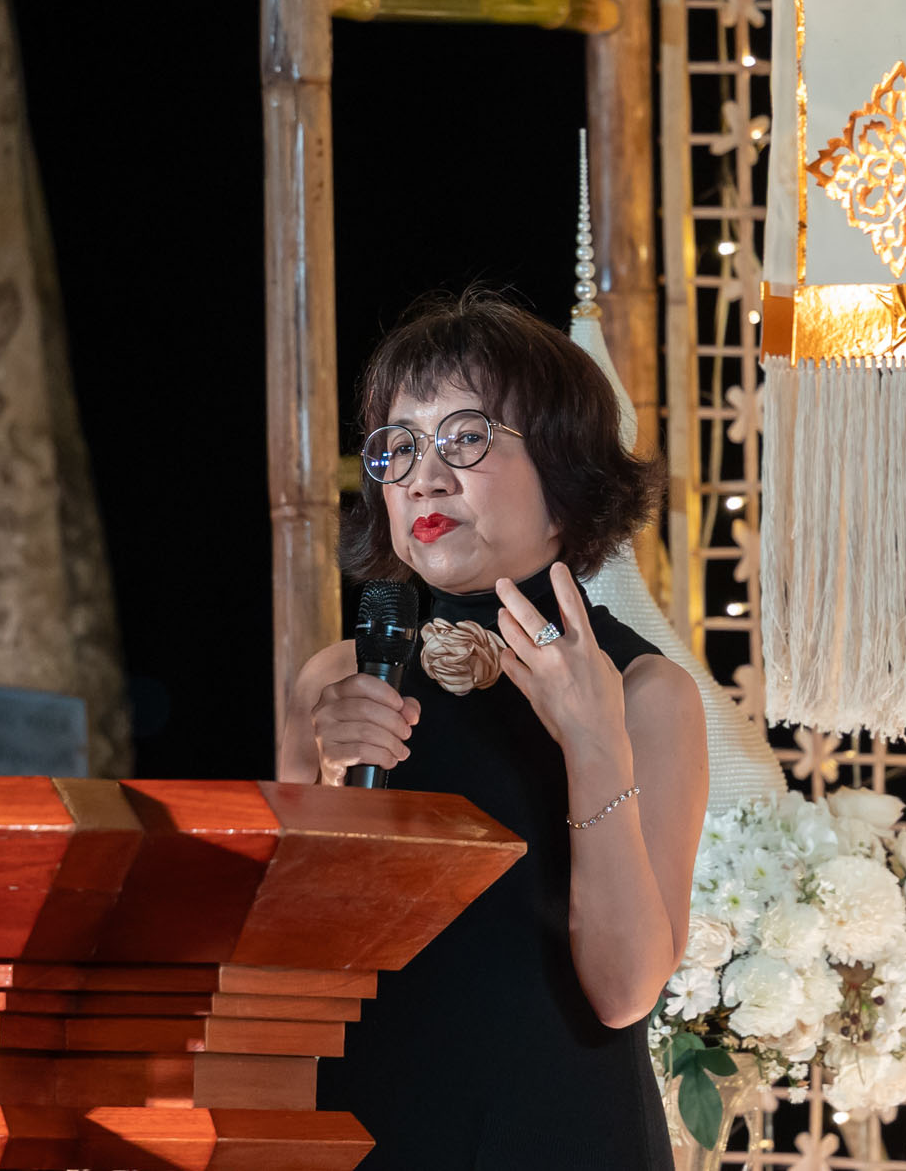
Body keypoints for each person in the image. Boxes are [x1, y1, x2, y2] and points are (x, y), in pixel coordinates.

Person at [281, 293, 708, 1168]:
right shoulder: (337, 679)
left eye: (466, 438)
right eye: (399, 446)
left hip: (564, 1129)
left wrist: (593, 745)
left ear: (565, 472)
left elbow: (625, 992)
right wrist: (324, 789)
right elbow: (287, 968)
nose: (424, 477)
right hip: (366, 1124)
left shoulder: (645, 691)